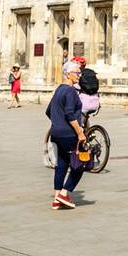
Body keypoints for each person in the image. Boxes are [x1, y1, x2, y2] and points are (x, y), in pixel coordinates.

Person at [47, 60, 88, 209]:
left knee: (62, 164)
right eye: (77, 73)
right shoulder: (70, 91)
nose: (79, 75)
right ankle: (64, 193)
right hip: (69, 135)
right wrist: (80, 132)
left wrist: (57, 123)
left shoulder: (59, 89)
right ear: (68, 74)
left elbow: (48, 111)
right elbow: (70, 114)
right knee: (80, 165)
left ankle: (57, 198)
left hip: (56, 134)